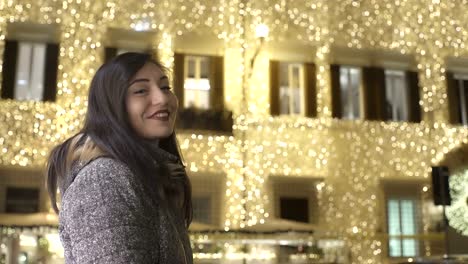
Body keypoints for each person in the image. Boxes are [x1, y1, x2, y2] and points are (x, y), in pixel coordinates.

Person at [46, 52, 193, 263]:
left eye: (165, 87)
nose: (162, 98)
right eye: (141, 90)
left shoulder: (150, 179)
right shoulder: (104, 180)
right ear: (112, 106)